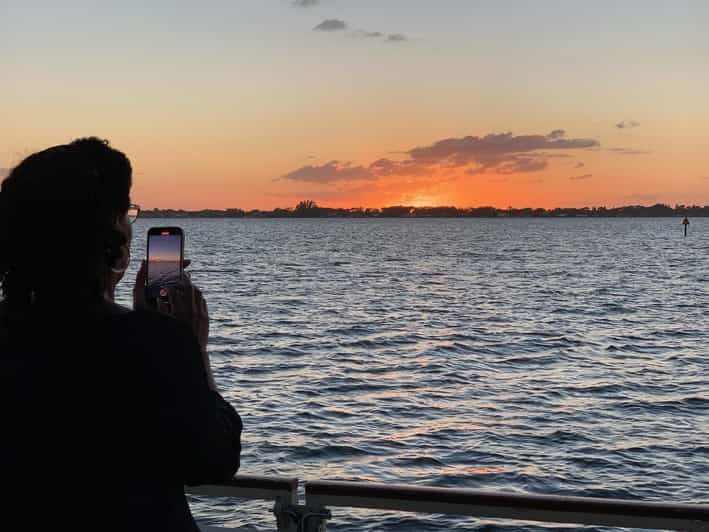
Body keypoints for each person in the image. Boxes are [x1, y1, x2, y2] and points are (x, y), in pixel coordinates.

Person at [0, 138, 242, 531]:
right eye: (126, 213)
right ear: (111, 234)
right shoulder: (153, 343)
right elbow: (212, 459)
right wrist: (193, 348)